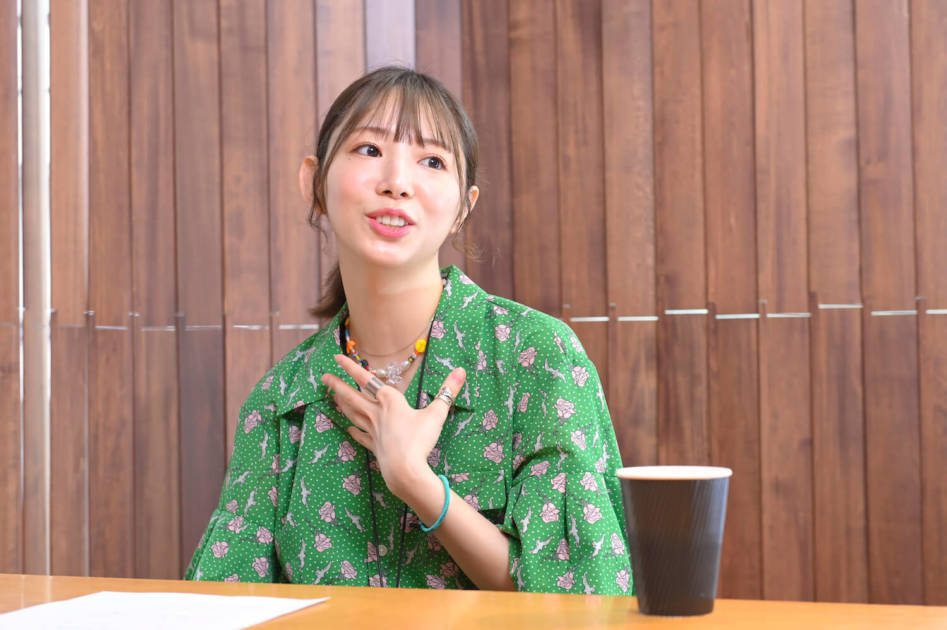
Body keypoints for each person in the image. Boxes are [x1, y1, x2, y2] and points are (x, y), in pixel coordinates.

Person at [185, 66, 633, 595]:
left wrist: (416, 483)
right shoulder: (282, 402)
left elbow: (584, 597)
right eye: (369, 149)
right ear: (315, 184)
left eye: (432, 161)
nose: (396, 182)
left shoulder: (535, 356)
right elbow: (218, 604)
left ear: (464, 207)